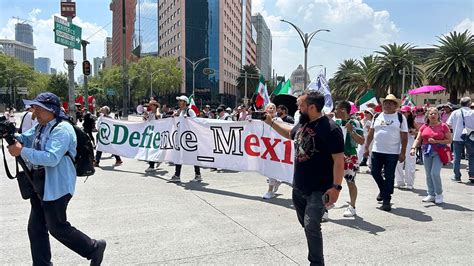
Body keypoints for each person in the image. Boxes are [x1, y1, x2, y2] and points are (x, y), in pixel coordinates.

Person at [7, 92, 106, 265]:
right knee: (36, 228)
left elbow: (51, 158)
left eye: (38, 108)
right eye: (34, 107)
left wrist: (21, 151)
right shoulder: (41, 126)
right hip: (39, 183)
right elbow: (25, 138)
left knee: (57, 227)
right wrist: (10, 134)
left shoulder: (62, 129)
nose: (34, 112)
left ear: (51, 110)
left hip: (57, 186)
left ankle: (93, 248)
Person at [263, 91, 344, 265]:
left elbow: (339, 161)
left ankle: (316, 263)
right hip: (299, 186)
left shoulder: (331, 129)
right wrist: (271, 122)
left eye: (300, 105)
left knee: (311, 226)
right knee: (307, 226)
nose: (298, 109)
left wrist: (336, 187)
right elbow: (289, 133)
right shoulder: (302, 123)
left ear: (312, 107)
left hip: (319, 188)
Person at [364, 94, 408, 212]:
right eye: (385, 103)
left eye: (390, 103)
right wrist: (366, 147)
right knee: (374, 172)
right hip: (377, 150)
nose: (387, 105)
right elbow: (371, 133)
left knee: (389, 175)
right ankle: (383, 191)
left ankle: (386, 200)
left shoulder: (400, 117)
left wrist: (402, 152)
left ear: (395, 106)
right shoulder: (377, 116)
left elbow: (404, 136)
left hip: (392, 152)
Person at [411, 107, 452, 203]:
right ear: (427, 116)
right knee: (428, 174)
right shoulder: (424, 127)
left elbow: (449, 140)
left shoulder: (443, 126)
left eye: (435, 113)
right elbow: (418, 139)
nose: (433, 115)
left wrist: (437, 141)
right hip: (426, 152)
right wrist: (413, 148)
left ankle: (439, 194)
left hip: (439, 152)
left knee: (435, 173)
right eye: (431, 114)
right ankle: (431, 194)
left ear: (438, 115)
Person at [335, 100, 365, 217]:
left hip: (349, 156)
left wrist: (351, 131)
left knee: (350, 182)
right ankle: (326, 206)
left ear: (342, 110)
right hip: (336, 156)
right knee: (329, 182)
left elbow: (361, 141)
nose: (334, 111)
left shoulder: (355, 123)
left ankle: (352, 206)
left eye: (336, 108)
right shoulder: (335, 122)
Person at [169, 95, 202, 182]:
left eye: (181, 101)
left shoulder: (190, 111)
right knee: (178, 155)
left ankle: (198, 174)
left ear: (185, 102)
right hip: (181, 137)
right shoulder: (180, 112)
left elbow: (195, 122)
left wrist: (187, 119)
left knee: (193, 156)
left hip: (189, 138)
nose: (179, 102)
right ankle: (177, 175)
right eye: (179, 101)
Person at [446, 97, 474, 183]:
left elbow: (448, 125)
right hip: (470, 137)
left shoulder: (455, 112)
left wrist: (456, 127)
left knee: (457, 157)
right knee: (472, 156)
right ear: (469, 104)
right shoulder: (472, 112)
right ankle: (472, 175)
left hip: (457, 137)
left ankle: (457, 176)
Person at [261, 103, 283, 199]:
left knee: (271, 169)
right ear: (266, 109)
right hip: (264, 147)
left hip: (275, 148)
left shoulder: (278, 120)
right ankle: (276, 181)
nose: (272, 109)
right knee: (268, 169)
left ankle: (270, 191)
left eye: (273, 108)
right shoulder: (260, 119)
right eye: (270, 107)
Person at [395, 106, 418, 190]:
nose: (403, 114)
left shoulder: (412, 122)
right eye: (402, 112)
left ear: (409, 113)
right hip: (398, 143)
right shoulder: (398, 121)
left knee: (410, 163)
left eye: (405, 112)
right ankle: (399, 181)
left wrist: (413, 132)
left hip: (410, 144)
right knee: (398, 163)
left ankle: (409, 183)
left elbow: (419, 133)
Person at [144, 100, 161, 172]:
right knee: (152, 149)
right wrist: (145, 116)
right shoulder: (150, 113)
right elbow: (146, 121)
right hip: (150, 133)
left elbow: (158, 116)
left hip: (157, 133)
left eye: (151, 105)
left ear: (155, 106)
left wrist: (157, 110)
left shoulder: (158, 113)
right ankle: (157, 160)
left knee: (153, 149)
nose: (150, 106)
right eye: (149, 105)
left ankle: (151, 166)